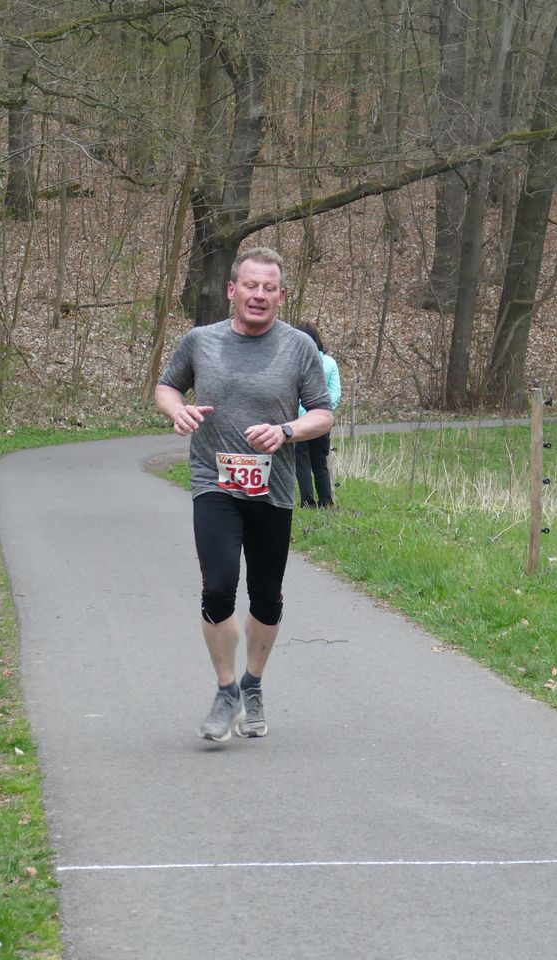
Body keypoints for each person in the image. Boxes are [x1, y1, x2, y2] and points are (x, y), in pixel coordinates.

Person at [154, 247, 334, 743]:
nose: (259, 295)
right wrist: (177, 410)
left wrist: (287, 431)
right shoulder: (201, 341)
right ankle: (226, 689)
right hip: (214, 482)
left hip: (272, 489)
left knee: (266, 596)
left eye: (268, 288)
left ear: (281, 295)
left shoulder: (298, 347)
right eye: (250, 285)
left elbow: (323, 412)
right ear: (232, 290)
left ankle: (253, 683)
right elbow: (167, 387)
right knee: (217, 586)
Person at [294, 322, 341, 507]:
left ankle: (307, 501)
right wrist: (324, 411)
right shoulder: (330, 363)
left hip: (300, 421)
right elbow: (335, 393)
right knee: (320, 461)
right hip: (321, 421)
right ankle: (326, 500)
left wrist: (300, 413)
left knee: (302, 461)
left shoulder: (295, 363)